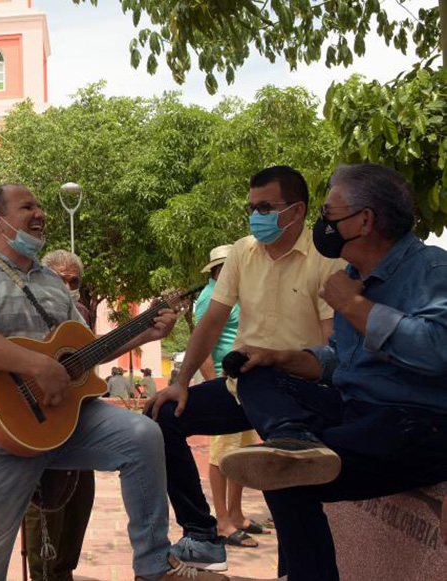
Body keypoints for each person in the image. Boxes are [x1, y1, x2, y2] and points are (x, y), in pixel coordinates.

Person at [0, 184, 226, 580]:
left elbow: (84, 351)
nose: (40, 213)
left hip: (63, 424)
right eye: (27, 206)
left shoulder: (50, 281)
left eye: (41, 206)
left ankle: (153, 565)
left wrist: (145, 333)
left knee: (143, 435)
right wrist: (37, 366)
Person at [218, 164, 447, 580]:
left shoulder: (432, 270)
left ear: (364, 221)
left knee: (284, 475)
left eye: (328, 214)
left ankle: (299, 452)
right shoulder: (351, 277)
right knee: (255, 376)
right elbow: (341, 360)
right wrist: (281, 358)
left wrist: (354, 306)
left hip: (414, 423)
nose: (321, 224)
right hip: (353, 407)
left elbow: (436, 351)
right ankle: (296, 437)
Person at [143, 166, 344, 572]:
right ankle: (202, 533)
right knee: (162, 414)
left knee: (285, 482)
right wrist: (181, 382)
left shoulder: (326, 259)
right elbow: (212, 321)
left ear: (297, 210)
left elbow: (333, 348)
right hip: (245, 387)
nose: (256, 216)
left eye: (265, 208)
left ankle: (300, 569)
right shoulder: (242, 251)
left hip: (299, 393)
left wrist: (280, 358)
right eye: (251, 208)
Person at [22, 249, 95, 581]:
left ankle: (64, 572)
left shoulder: (82, 314)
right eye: (59, 279)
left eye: (73, 282)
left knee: (79, 504)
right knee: (44, 506)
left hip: (78, 419)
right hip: (39, 421)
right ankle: (44, 574)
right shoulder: (23, 309)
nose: (67, 287)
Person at [194, 245, 262, 549]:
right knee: (222, 455)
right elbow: (203, 343)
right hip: (225, 382)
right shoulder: (210, 297)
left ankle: (236, 513)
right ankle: (222, 520)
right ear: (218, 269)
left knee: (241, 452)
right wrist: (215, 385)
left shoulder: (235, 294)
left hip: (243, 382)